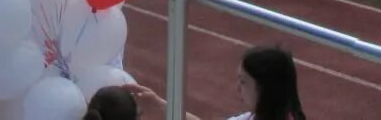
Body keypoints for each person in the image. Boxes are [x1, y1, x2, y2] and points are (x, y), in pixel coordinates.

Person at [109, 45, 305, 120]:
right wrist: (160, 105)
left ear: (265, 88)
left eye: (244, 82)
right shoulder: (254, 117)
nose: (237, 88)